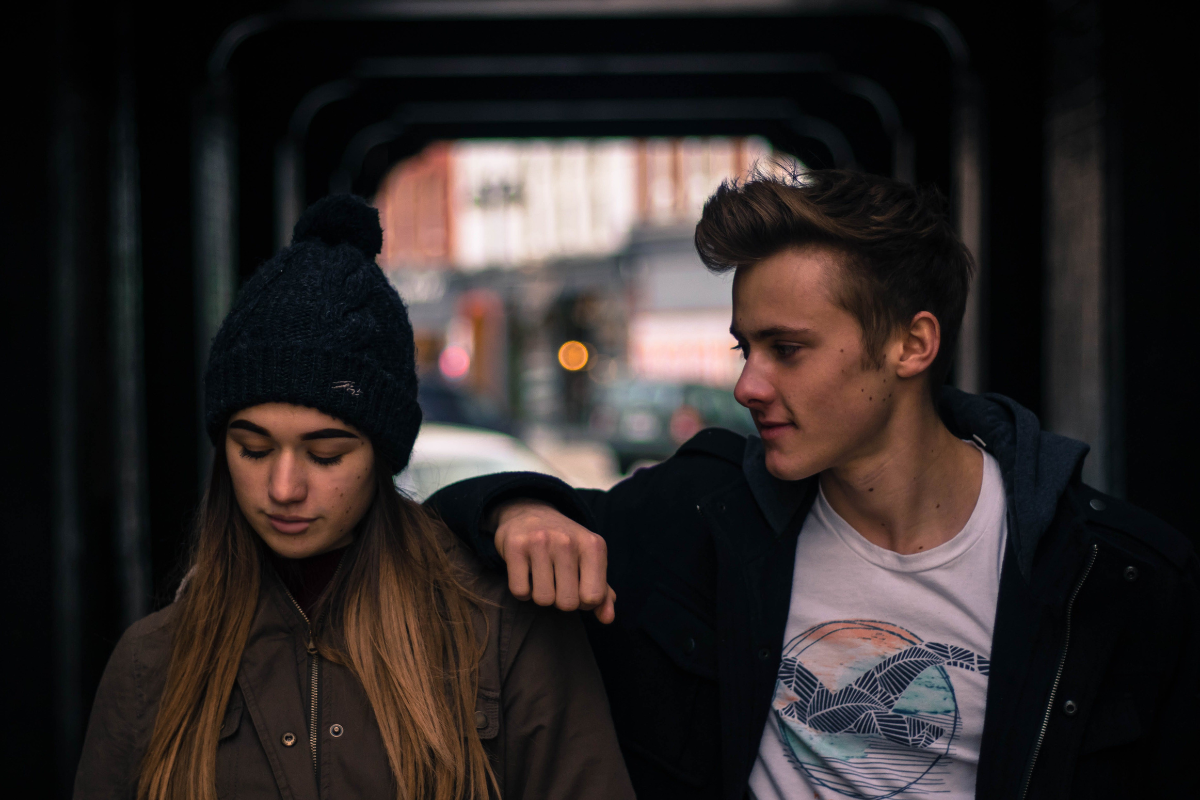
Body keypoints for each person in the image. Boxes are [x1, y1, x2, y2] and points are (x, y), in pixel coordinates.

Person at [428, 168, 1199, 799]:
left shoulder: (1111, 574)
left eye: (786, 349)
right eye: (744, 349)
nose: (747, 386)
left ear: (912, 343)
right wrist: (517, 508)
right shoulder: (706, 516)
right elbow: (426, 530)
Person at [74, 196, 635, 800]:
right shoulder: (152, 662)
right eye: (253, 449)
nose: (284, 489)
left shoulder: (501, 632)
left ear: (381, 456)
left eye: (326, 454)